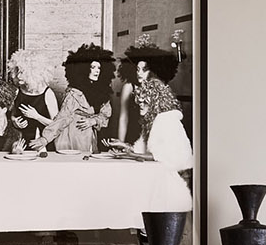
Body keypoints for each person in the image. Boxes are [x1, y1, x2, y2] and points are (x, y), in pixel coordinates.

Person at [121, 45, 194, 177]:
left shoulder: (164, 121)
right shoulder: (153, 119)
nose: (140, 105)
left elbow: (162, 157)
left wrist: (131, 154)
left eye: (145, 101)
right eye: (139, 101)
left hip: (174, 177)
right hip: (160, 172)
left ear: (155, 100)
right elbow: (144, 147)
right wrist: (123, 145)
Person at [42, 43, 114, 153]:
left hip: (89, 136)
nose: (97, 71)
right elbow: (62, 118)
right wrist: (45, 139)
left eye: (99, 67)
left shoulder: (102, 92)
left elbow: (105, 115)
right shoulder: (74, 94)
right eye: (92, 67)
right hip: (71, 136)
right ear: (83, 69)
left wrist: (93, 121)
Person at [4, 49, 64, 145]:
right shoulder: (17, 91)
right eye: (17, 71)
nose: (18, 75)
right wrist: (14, 121)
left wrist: (37, 116)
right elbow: (12, 114)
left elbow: (56, 125)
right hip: (19, 142)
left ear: (33, 73)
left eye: (22, 72)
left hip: (41, 143)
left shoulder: (48, 93)